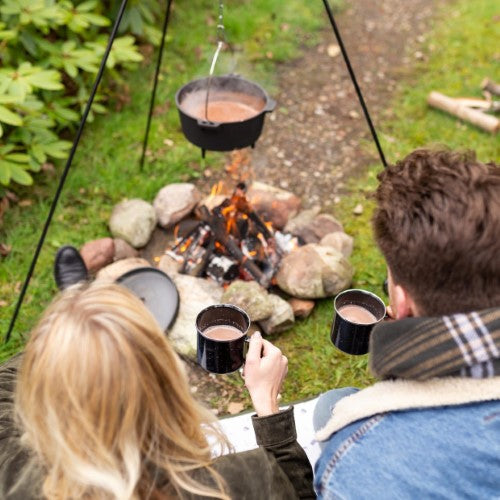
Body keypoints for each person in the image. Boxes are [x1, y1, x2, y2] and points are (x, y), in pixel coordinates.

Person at [0, 282, 315, 499]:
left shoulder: (16, 474)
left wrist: (81, 341)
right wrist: (266, 403)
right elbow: (295, 491)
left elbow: (6, 385)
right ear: (164, 385)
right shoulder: (237, 481)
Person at [313, 149, 500, 498]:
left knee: (332, 408)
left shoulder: (356, 463)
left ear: (399, 302)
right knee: (332, 401)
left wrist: (268, 417)